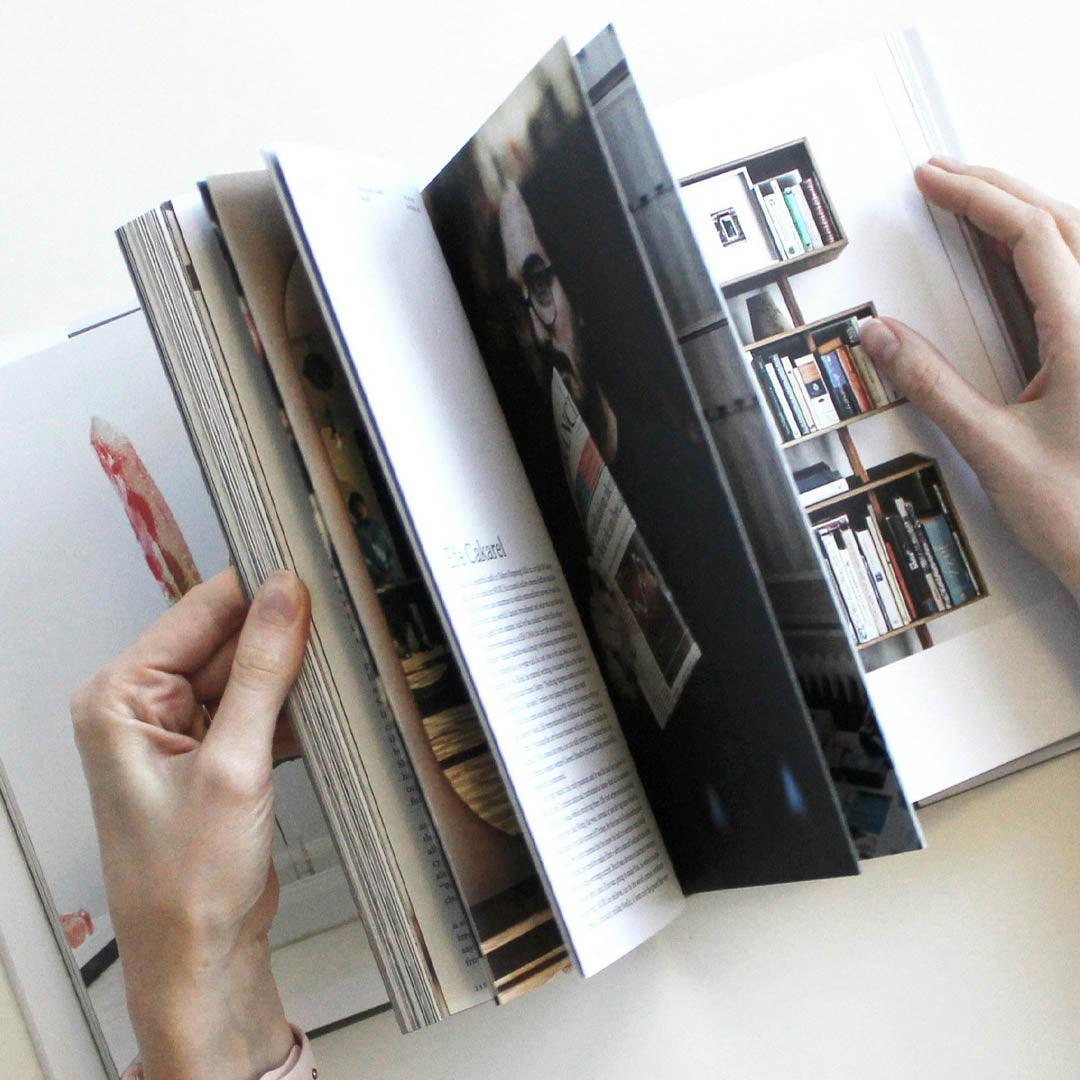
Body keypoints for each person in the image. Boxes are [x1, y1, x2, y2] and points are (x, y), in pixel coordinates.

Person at [72, 159, 1080, 1077]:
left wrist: (194, 990)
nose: (537, 319)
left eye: (545, 284)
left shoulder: (689, 473)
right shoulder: (537, 475)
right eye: (518, 297)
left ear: (580, 298)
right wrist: (198, 981)